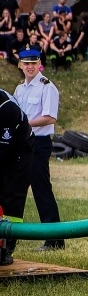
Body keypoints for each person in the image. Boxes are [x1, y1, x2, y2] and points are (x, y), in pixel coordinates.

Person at [13, 47, 65, 250]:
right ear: (20, 65)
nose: (30, 67)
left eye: (33, 63)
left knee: (41, 189)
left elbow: (50, 117)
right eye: (26, 64)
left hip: (39, 143)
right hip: (21, 143)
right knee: (15, 190)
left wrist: (25, 125)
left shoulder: (47, 87)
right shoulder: (20, 89)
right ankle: (9, 238)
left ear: (39, 64)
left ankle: (54, 240)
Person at [0, 88, 34, 266]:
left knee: (12, 196)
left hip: (20, 150)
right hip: (4, 149)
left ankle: (6, 248)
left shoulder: (7, 109)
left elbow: (2, 150)